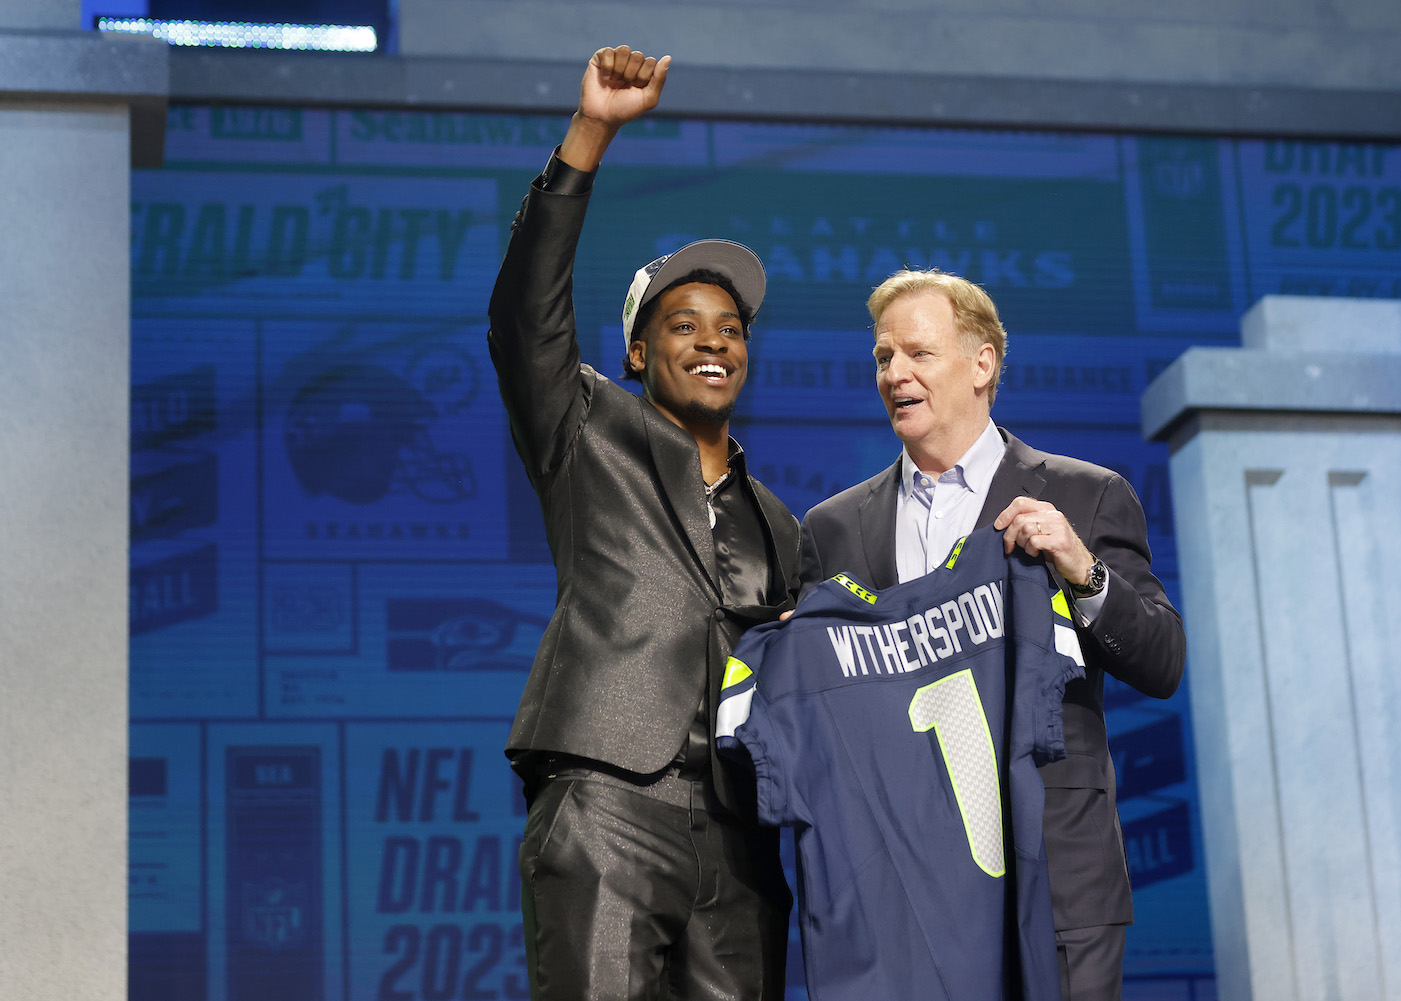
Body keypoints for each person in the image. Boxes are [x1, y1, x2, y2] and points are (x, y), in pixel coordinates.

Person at [486, 45, 800, 1001]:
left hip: (741, 835)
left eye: (731, 327)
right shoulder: (588, 427)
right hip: (609, 795)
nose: (713, 338)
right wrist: (593, 132)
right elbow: (523, 315)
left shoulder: (782, 523)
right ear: (634, 351)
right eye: (683, 323)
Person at [798, 269, 1186, 1001]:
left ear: (983, 365)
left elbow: (1163, 660)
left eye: (918, 352)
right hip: (903, 900)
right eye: (883, 358)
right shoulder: (833, 529)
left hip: (1059, 889)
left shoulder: (1084, 494)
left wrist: (1083, 567)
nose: (895, 374)